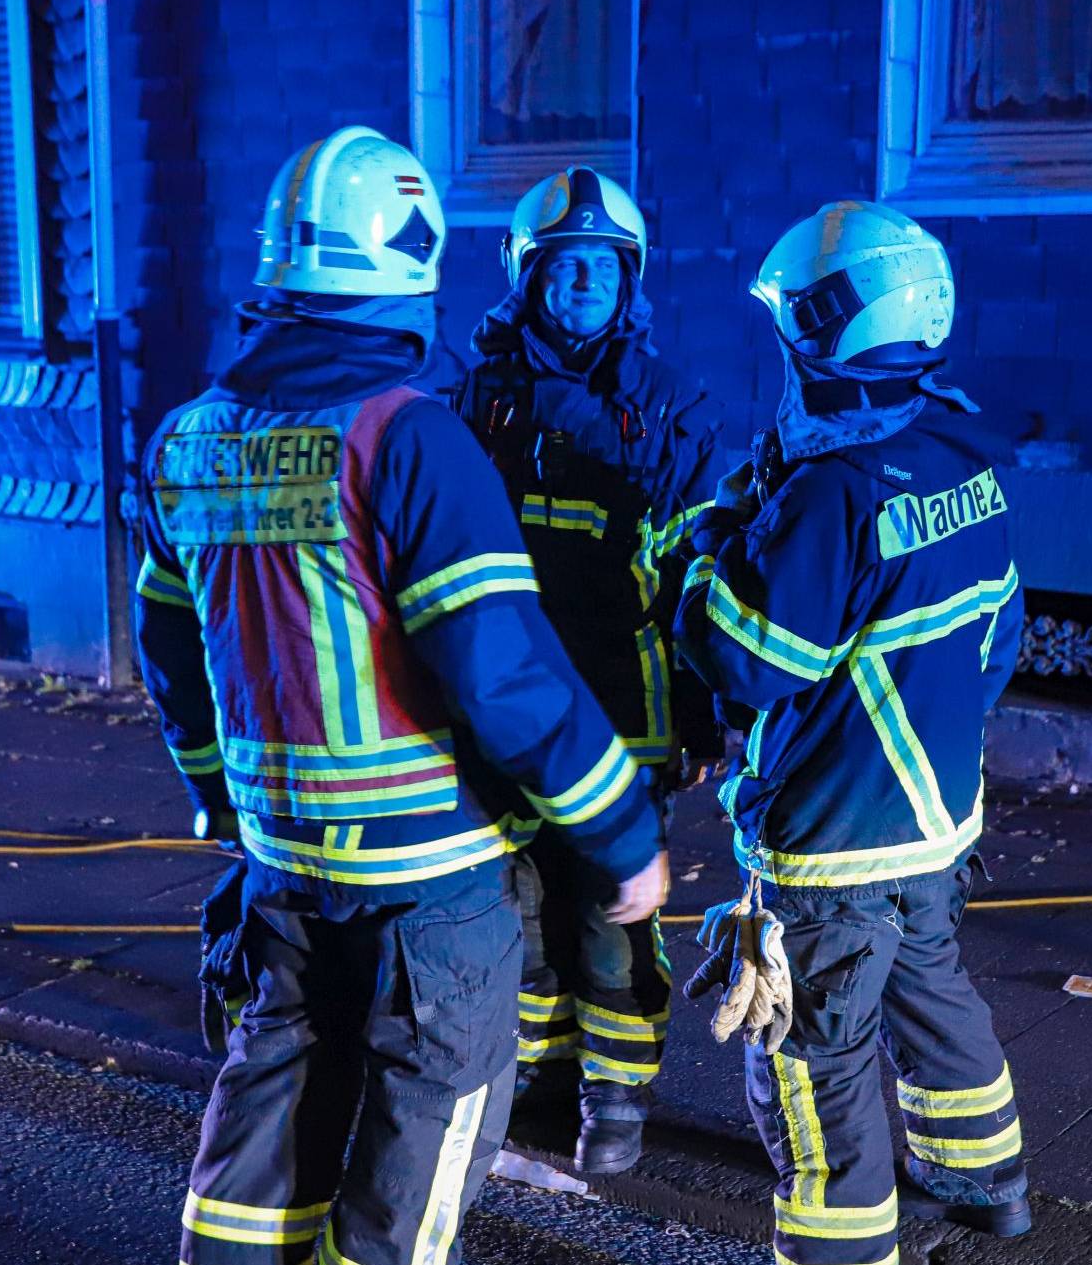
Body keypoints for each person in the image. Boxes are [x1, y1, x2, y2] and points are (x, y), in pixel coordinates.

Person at [134, 126, 669, 1265]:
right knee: (416, 1160)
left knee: (270, 1107)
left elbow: (172, 654)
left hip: (282, 864)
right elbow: (502, 670)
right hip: (431, 880)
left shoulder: (185, 441)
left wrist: (222, 802)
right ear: (413, 263)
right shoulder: (408, 435)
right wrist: (622, 829)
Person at [675, 201, 1031, 1265]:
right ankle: (987, 1183)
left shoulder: (832, 492)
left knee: (812, 1058)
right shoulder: (963, 457)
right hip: (934, 826)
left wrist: (704, 553)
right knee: (932, 993)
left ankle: (841, 1246)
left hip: (832, 843)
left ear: (821, 333)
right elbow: (1001, 639)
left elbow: (747, 657)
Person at [451, 166, 736, 1176]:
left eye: (603, 269)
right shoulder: (473, 402)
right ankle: (538, 1071)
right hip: (503, 707)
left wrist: (699, 716)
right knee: (517, 905)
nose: (583, 284)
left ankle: (616, 1098)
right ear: (526, 277)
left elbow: (698, 572)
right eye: (565, 265)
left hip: (627, 712)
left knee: (611, 911)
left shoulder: (668, 407)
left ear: (631, 282)